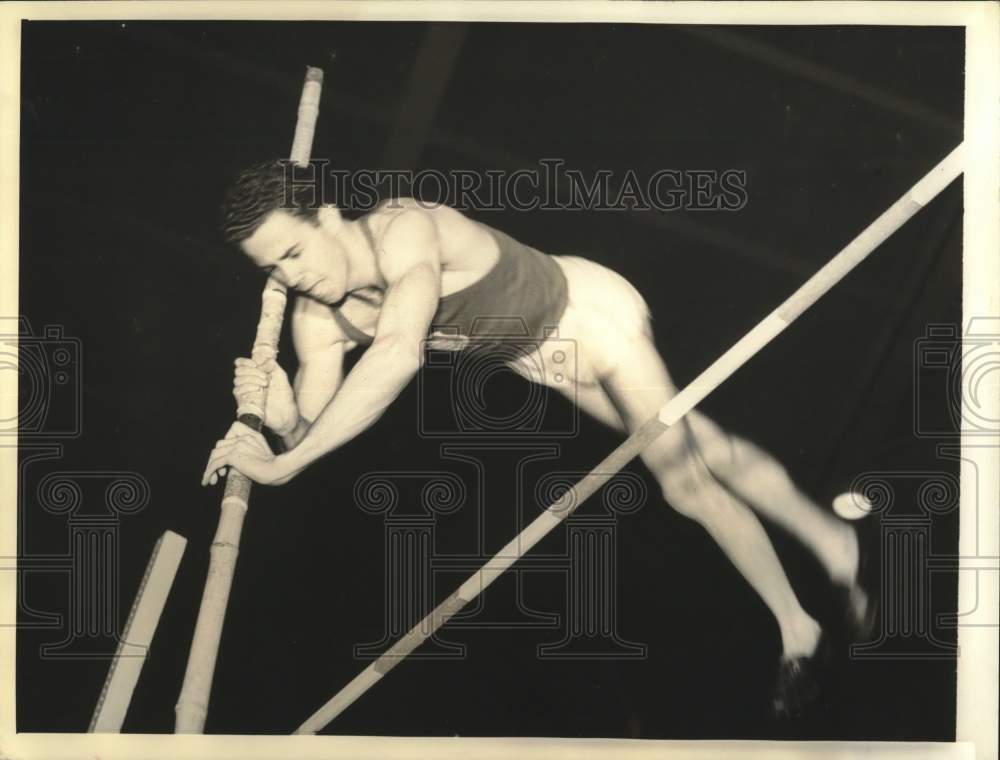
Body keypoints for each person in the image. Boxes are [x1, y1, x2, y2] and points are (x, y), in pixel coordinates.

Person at [201, 160, 874, 717]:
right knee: (709, 449)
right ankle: (834, 542)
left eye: (292, 252)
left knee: (683, 479)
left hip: (588, 311)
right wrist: (286, 424)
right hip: (544, 359)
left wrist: (283, 466)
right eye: (272, 271)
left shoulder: (403, 231)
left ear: (326, 216)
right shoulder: (316, 322)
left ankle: (798, 630)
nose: (292, 277)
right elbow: (319, 435)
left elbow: (400, 351)